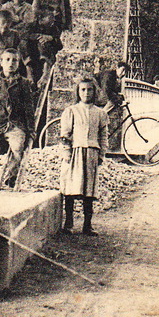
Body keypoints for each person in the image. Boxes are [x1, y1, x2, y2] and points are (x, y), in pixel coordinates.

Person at [59, 78, 111, 235]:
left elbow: (103, 136)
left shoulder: (100, 113)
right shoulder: (71, 111)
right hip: (75, 153)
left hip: (91, 153)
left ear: (94, 92)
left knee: (89, 190)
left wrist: (101, 154)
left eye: (89, 90)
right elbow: (65, 134)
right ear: (78, 92)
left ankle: (87, 225)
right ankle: (69, 223)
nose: (86, 93)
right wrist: (66, 151)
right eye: (83, 90)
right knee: (71, 187)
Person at [0, 50, 35, 190]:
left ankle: (11, 177)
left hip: (16, 124)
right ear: (2, 62)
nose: (11, 63)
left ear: (18, 64)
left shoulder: (24, 84)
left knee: (17, 149)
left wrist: (30, 130)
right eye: (8, 60)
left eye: (14, 60)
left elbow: (29, 109)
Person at [33, 0, 73, 79]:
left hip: (56, 27)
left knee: (55, 44)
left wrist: (67, 28)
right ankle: (46, 70)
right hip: (42, 26)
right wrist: (49, 14)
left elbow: (67, 11)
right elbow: (34, 11)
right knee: (44, 43)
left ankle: (48, 69)